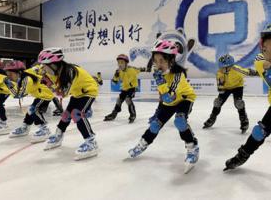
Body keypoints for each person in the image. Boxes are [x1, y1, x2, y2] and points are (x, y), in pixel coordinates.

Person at [128, 39, 199, 173]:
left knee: (180, 121)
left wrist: (160, 81)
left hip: (184, 99)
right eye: (156, 60)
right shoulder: (159, 74)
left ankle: (192, 147)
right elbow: (164, 98)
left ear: (171, 60)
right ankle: (143, 143)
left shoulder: (178, 75)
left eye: (162, 60)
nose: (158, 64)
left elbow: (168, 96)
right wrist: (159, 80)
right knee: (155, 125)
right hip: (169, 102)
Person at [224, 25, 271, 171]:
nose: (267, 52)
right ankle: (244, 154)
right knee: (259, 131)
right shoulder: (260, 61)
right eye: (266, 49)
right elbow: (262, 63)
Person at [38, 47, 99, 160]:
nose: (43, 68)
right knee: (66, 114)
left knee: (77, 114)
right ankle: (59, 134)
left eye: (45, 65)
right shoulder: (56, 70)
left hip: (89, 91)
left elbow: (62, 94)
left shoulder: (69, 72)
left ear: (53, 64)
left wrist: (50, 85)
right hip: (77, 93)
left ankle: (91, 141)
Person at [203, 54, 258, 133]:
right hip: (226, 88)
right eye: (221, 67)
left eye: (224, 67)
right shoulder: (219, 73)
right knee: (217, 102)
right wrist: (221, 89)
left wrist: (259, 73)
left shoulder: (236, 69)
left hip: (238, 87)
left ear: (231, 66)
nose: (222, 69)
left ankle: (244, 120)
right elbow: (220, 88)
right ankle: (212, 117)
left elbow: (248, 72)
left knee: (239, 103)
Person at [4, 61, 54, 143]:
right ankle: (25, 127)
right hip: (40, 95)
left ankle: (44, 129)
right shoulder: (22, 77)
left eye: (10, 74)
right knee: (30, 111)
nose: (9, 77)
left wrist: (9, 86)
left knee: (33, 109)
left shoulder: (27, 79)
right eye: (7, 74)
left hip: (45, 96)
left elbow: (19, 95)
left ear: (19, 72)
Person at [104, 54, 145, 123]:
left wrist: (148, 68)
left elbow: (141, 69)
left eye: (122, 62)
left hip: (132, 88)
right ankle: (114, 113)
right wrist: (115, 76)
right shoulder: (118, 71)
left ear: (126, 63)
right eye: (118, 62)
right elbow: (114, 83)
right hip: (124, 89)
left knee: (128, 99)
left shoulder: (132, 69)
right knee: (119, 100)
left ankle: (133, 114)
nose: (120, 64)